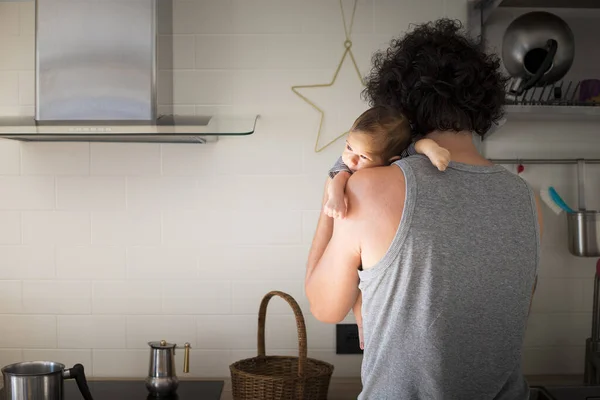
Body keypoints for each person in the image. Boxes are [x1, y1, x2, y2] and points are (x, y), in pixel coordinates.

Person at [305, 18, 543, 399]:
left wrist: (335, 192)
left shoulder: (369, 187)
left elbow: (324, 305)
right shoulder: (525, 197)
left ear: (397, 105)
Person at [324, 106, 451, 220]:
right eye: (349, 147)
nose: (352, 159)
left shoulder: (396, 158)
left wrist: (434, 151)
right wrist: (336, 199)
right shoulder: (346, 164)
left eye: (363, 157)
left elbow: (419, 145)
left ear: (392, 160)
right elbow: (339, 180)